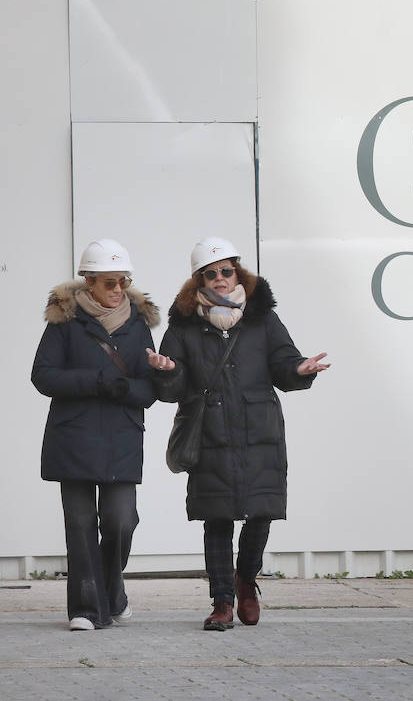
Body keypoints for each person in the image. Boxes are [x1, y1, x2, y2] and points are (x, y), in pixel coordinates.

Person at [146, 237, 328, 631]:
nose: (220, 279)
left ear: (237, 272)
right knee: (217, 518)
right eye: (211, 274)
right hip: (211, 433)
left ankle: (246, 581)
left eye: (226, 271)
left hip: (259, 432)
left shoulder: (263, 317)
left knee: (261, 514)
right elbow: (173, 389)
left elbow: (283, 362)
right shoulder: (183, 323)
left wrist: (299, 370)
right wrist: (167, 371)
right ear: (199, 281)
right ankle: (222, 603)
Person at [32, 239, 160, 631]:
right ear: (88, 282)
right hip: (73, 439)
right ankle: (86, 609)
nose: (118, 289)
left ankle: (112, 591)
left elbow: (150, 388)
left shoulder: (139, 327)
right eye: (109, 282)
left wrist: (126, 388)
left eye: (123, 281)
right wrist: (98, 380)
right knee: (80, 524)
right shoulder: (64, 324)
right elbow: (43, 376)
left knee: (121, 522)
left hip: (121, 438)